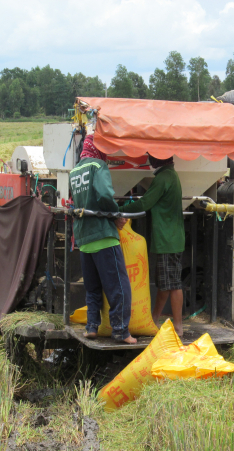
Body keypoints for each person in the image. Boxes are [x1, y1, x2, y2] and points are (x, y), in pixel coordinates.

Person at [69, 134, 136, 344]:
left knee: (92, 287)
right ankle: (121, 331)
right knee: (119, 286)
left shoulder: (74, 171)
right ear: (99, 149)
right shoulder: (98, 166)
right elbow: (106, 195)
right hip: (103, 236)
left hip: (84, 239)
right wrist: (116, 216)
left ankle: (91, 327)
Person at [118, 154, 185, 336]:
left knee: (174, 284)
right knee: (166, 282)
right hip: (172, 237)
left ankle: (178, 326)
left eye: (152, 156)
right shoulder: (171, 175)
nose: (149, 160)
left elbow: (145, 203)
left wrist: (119, 210)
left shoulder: (163, 178)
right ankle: (154, 318)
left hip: (168, 239)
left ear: (159, 159)